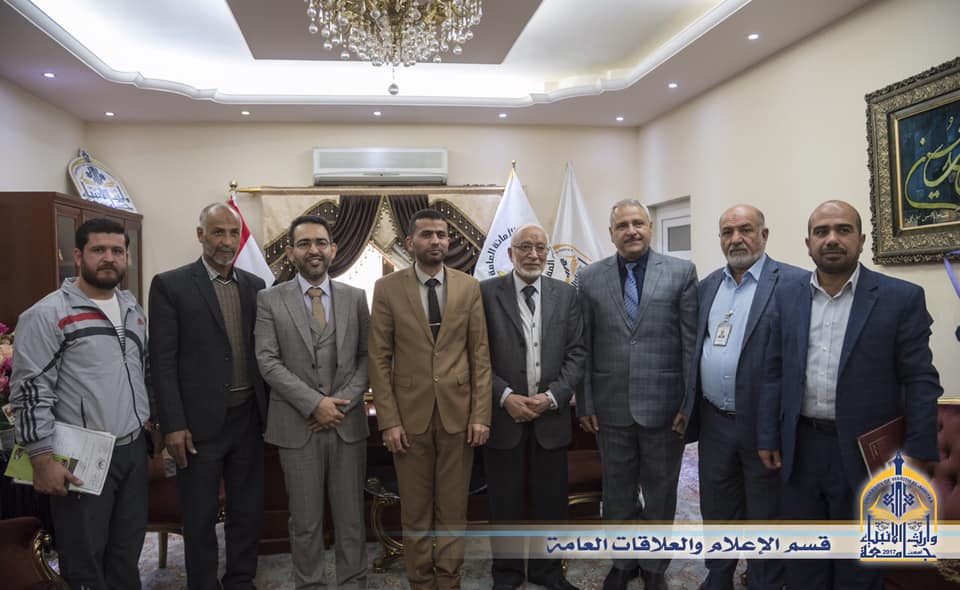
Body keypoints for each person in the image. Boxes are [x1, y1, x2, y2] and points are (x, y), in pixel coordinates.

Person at [757, 200, 942, 590]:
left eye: (843, 230)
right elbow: (773, 371)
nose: (832, 239)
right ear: (808, 243)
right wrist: (768, 435)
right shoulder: (786, 296)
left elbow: (920, 380)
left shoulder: (900, 298)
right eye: (821, 232)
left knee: (858, 567)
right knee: (804, 561)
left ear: (861, 240)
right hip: (800, 448)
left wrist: (919, 451)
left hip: (865, 453)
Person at [10, 218, 152, 589]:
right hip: (80, 456)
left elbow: (141, 371)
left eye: (117, 251)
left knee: (126, 554)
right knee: (85, 559)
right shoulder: (47, 314)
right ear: (78, 255)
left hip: (132, 450)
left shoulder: (132, 309)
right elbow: (30, 390)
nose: (109, 258)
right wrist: (42, 459)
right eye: (98, 250)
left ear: (127, 257)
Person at [368, 208, 492, 590]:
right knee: (416, 511)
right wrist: (389, 421)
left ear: (449, 240)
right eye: (427, 234)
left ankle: (449, 581)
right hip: (409, 420)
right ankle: (420, 581)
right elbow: (379, 358)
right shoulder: (387, 289)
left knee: (453, 510)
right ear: (410, 242)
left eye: (441, 234)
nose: (435, 240)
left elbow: (480, 355)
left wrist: (481, 415)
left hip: (459, 417)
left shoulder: (469, 287)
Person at [577, 199, 697, 590]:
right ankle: (624, 562)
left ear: (650, 227)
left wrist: (688, 403)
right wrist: (586, 401)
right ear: (611, 233)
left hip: (665, 407)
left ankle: (654, 566)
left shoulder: (681, 272)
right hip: (609, 407)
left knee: (661, 492)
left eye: (638, 223)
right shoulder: (589, 277)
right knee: (617, 492)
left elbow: (690, 344)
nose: (631, 231)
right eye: (622, 225)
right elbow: (584, 345)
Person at [682, 205, 803, 590]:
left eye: (746, 229)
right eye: (727, 232)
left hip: (765, 425)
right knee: (717, 506)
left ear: (764, 235)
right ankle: (718, 576)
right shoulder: (707, 287)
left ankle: (765, 580)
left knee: (766, 511)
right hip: (715, 421)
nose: (736, 239)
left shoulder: (794, 284)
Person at [149, 203, 268, 590]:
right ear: (200, 235)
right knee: (199, 517)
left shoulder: (255, 286)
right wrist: (173, 424)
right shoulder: (171, 285)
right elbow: (162, 362)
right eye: (218, 232)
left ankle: (240, 580)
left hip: (248, 419)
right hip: (197, 428)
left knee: (246, 512)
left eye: (233, 233)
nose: (227, 241)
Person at [255, 215, 369, 590]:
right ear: (290, 252)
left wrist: (338, 406)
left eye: (321, 242)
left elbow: (367, 358)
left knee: (351, 520)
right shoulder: (269, 299)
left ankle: (353, 583)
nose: (313, 250)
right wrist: (315, 404)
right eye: (304, 244)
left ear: (333, 249)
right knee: (305, 523)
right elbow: (268, 361)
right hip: (296, 427)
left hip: (347, 426)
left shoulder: (356, 298)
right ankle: (310, 584)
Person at [480, 224, 586, 590]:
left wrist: (552, 397)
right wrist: (505, 396)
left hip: (550, 418)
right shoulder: (485, 294)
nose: (533, 254)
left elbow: (577, 353)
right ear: (510, 254)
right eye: (525, 247)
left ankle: (547, 572)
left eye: (540, 247)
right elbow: (475, 356)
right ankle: (507, 574)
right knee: (504, 504)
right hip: (503, 416)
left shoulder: (566, 295)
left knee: (551, 503)